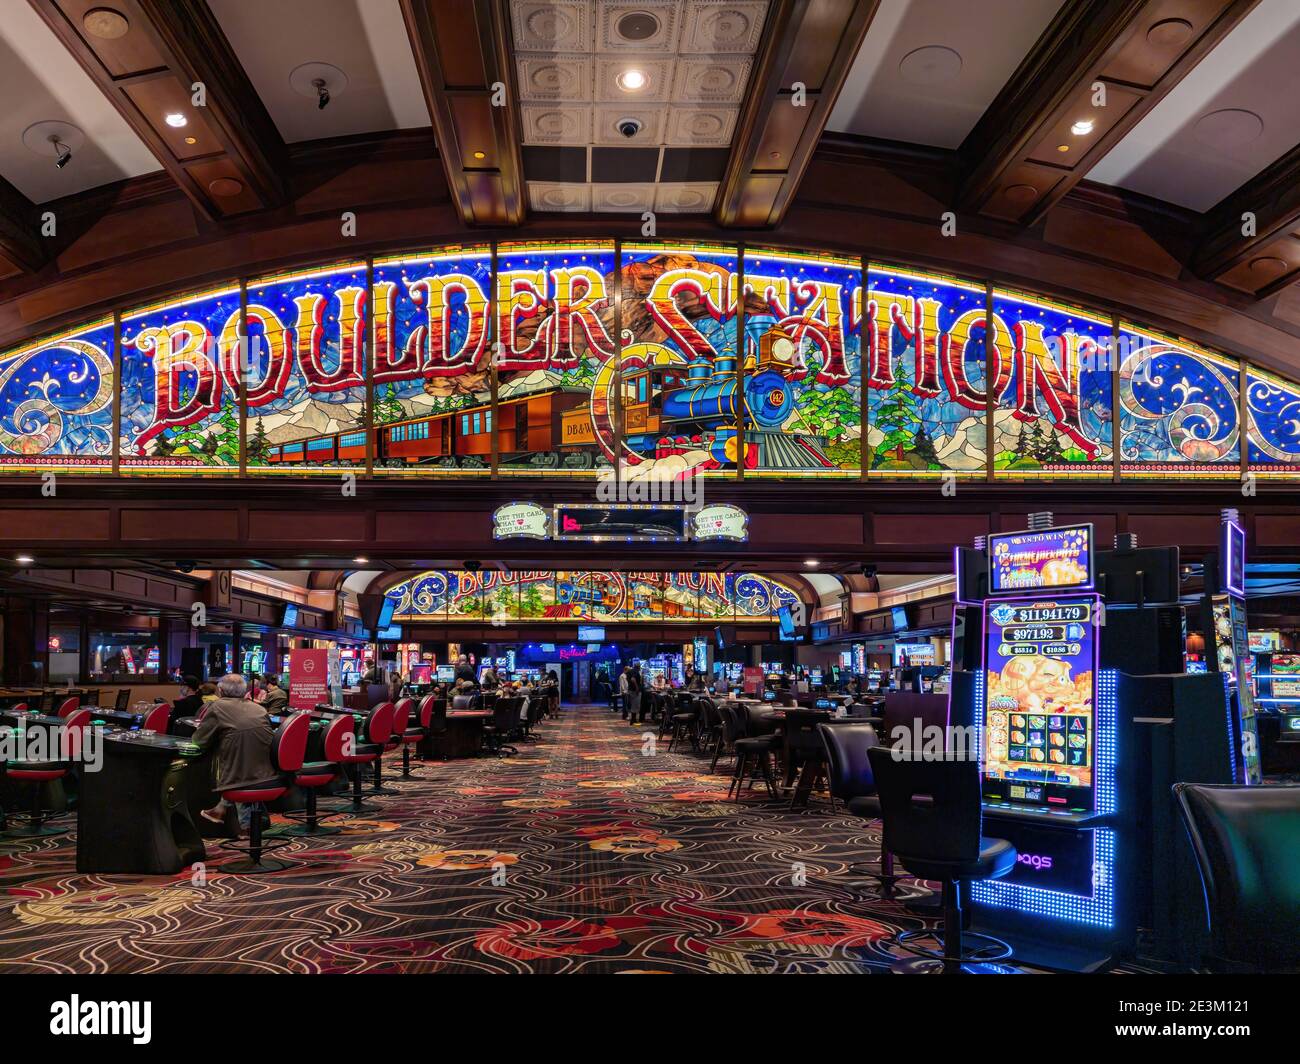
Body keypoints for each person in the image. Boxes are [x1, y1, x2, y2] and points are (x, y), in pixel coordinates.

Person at [193, 674, 277, 831]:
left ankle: (245, 827)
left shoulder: (217, 707)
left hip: (240, 777)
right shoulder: (259, 708)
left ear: (221, 691)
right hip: (270, 772)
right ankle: (230, 812)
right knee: (243, 757)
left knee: (236, 763)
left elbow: (199, 741)